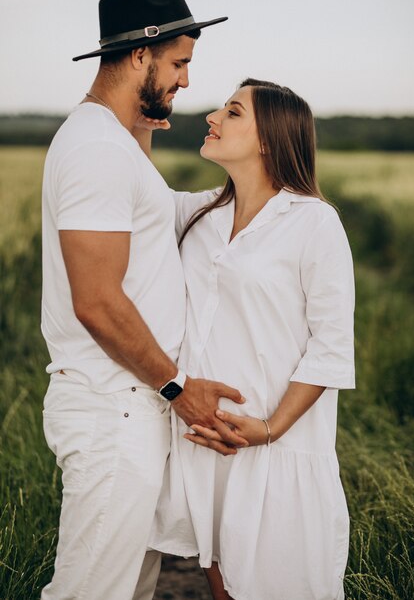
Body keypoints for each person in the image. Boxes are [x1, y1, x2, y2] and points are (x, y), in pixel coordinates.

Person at [40, 0, 247, 600]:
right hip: (114, 410)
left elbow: (163, 216)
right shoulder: (96, 148)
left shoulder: (117, 144)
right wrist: (178, 389)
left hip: (133, 406)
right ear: (139, 55)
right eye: (179, 63)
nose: (186, 81)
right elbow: (97, 301)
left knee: (128, 590)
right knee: (89, 592)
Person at [149, 79, 355, 600]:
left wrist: (269, 427)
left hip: (277, 446)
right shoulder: (198, 217)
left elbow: (330, 346)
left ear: (268, 140)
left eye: (233, 112)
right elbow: (135, 192)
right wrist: (143, 114)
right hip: (210, 442)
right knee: (222, 582)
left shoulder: (314, 221)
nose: (213, 117)